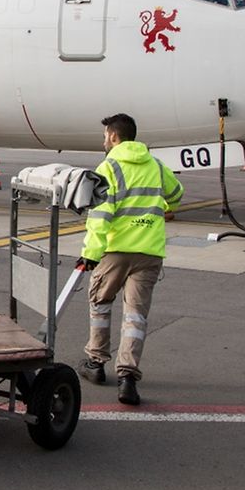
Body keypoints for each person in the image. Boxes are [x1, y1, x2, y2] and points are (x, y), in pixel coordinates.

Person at [76, 113, 183, 406]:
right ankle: (127, 378)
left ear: (113, 136)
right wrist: (158, 206)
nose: (104, 141)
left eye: (105, 136)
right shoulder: (156, 165)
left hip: (116, 250)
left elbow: (100, 216)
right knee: (135, 315)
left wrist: (90, 254)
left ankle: (95, 363)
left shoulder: (109, 167)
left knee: (100, 301)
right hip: (149, 252)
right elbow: (176, 195)